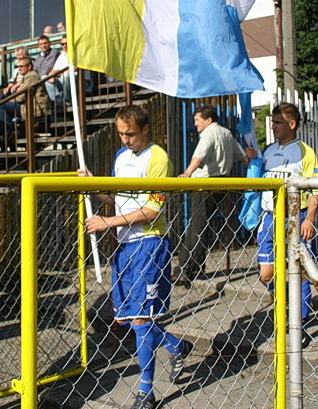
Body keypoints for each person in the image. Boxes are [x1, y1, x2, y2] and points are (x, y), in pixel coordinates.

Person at [79, 105, 187, 409]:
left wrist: (106, 223)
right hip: (124, 245)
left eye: (130, 134)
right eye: (121, 134)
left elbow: (153, 209)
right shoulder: (120, 157)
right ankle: (176, 346)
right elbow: (118, 199)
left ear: (145, 130)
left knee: (141, 318)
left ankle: (145, 391)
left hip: (150, 243)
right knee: (127, 317)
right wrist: (94, 185)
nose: (125, 139)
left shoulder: (158, 158)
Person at [244, 102, 318, 319]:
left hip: (296, 218)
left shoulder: (304, 152)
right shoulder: (269, 150)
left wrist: (310, 220)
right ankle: (289, 302)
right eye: (272, 122)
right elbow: (259, 175)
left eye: (278, 122)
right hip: (270, 219)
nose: (274, 127)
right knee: (266, 275)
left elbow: (316, 188)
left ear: (292, 124)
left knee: (301, 273)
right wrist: (251, 160)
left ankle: (300, 320)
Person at [176, 104, 245, 284]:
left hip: (204, 184)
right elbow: (241, 156)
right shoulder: (227, 133)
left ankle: (189, 269)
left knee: (196, 228)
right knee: (201, 226)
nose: (196, 124)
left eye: (198, 120)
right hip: (221, 184)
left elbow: (199, 155)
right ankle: (191, 266)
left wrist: (188, 173)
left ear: (208, 120)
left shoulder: (208, 134)